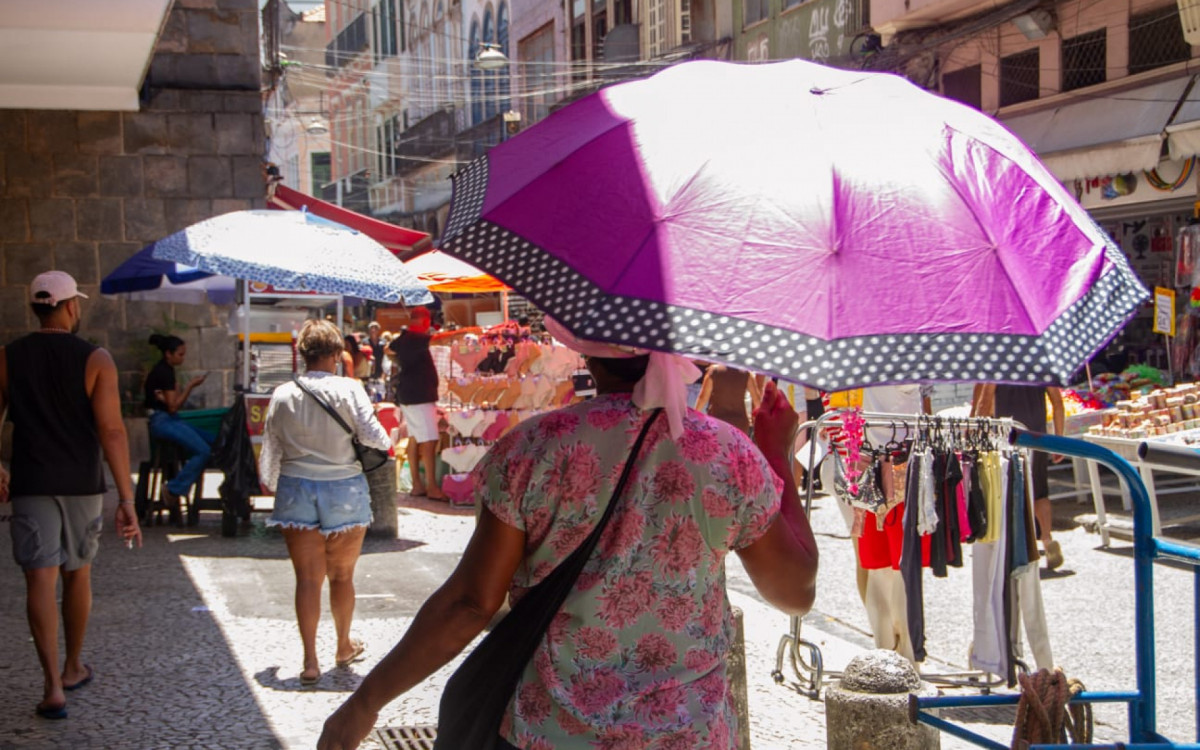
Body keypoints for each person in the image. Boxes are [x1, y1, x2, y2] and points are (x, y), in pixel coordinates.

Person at [317, 318, 819, 750]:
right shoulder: (726, 453)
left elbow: (471, 603)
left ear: (587, 354)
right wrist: (776, 451)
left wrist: (366, 703)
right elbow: (795, 591)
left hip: (552, 730)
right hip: (687, 733)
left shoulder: (530, 450)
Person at [0, 270, 142, 720]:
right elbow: (113, 431)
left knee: (38, 579)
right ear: (70, 307)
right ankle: (73, 665)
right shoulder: (95, 359)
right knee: (77, 573)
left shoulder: (7, 357)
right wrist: (126, 498)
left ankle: (51, 687)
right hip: (81, 482)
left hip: (31, 482)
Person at [258, 319, 392, 686]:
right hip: (343, 488)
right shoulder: (350, 390)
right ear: (336, 354)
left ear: (302, 355)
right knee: (343, 576)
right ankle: (343, 646)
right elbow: (377, 439)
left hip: (296, 489)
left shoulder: (283, 393)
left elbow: (270, 447)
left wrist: (270, 484)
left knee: (306, 579)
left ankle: (309, 660)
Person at [972, 383, 1066, 569]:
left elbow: (984, 402)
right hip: (1037, 436)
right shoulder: (1039, 363)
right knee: (1040, 490)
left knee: (1010, 490)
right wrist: (1059, 438)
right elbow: (1058, 402)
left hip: (1008, 435)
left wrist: (977, 434)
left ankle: (1016, 545)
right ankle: (1046, 539)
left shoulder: (999, 365)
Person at [144, 334, 214, 516]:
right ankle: (174, 489)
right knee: (203, 450)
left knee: (213, 439)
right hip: (162, 420)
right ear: (169, 354)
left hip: (168, 418)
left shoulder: (166, 371)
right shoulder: (164, 372)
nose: (182, 358)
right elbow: (173, 406)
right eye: (180, 354)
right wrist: (190, 386)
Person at [387, 307, 447, 499]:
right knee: (429, 441)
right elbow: (442, 339)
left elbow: (388, 348)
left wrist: (397, 359)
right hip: (419, 396)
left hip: (409, 395)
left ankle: (417, 485)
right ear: (424, 322)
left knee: (415, 438)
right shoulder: (417, 339)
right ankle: (432, 487)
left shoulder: (404, 338)